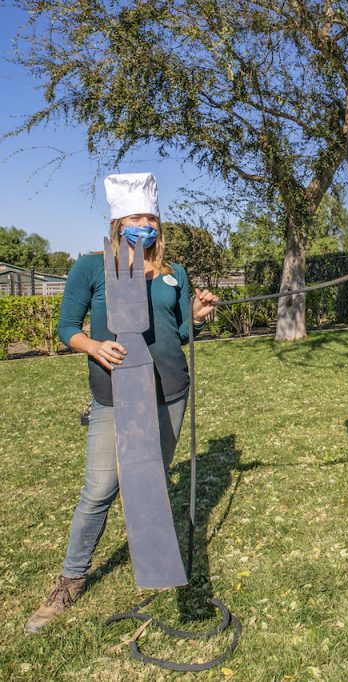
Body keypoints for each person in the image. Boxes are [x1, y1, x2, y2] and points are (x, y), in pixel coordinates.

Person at [25, 173, 219, 634]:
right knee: (99, 490)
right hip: (115, 397)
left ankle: (149, 554)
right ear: (117, 222)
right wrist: (93, 347)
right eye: (135, 217)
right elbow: (66, 327)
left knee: (153, 479)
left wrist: (194, 316)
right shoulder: (91, 268)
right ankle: (69, 580)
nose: (145, 224)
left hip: (170, 392)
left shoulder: (174, 274)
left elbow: (179, 334)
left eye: (151, 217)